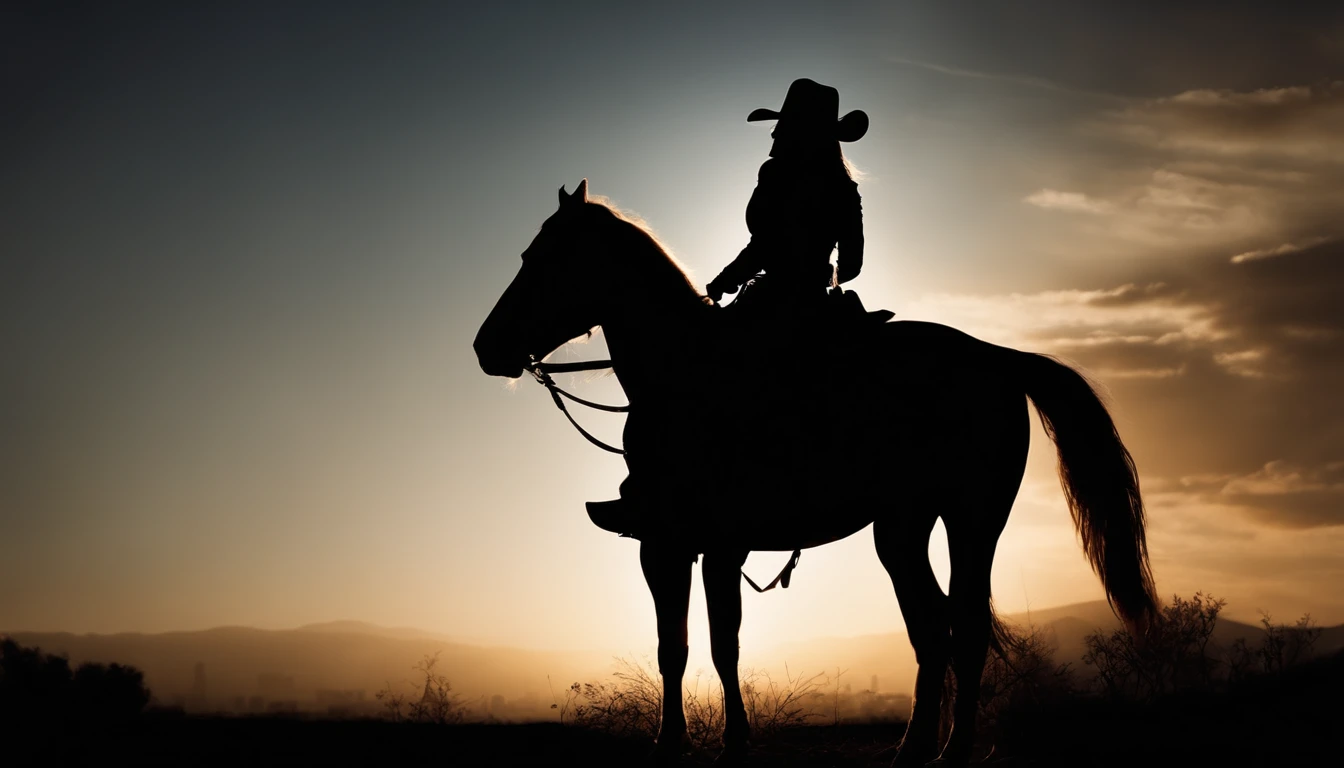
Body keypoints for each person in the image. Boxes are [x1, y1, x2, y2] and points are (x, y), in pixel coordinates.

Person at [586, 78, 870, 537]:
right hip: (816, 305)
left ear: (798, 130)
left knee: (700, 373)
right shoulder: (845, 189)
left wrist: (724, 282)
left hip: (773, 302)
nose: (775, 136)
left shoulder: (776, 175)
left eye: (783, 127)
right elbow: (852, 265)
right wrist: (822, 272)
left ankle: (670, 487)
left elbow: (763, 245)